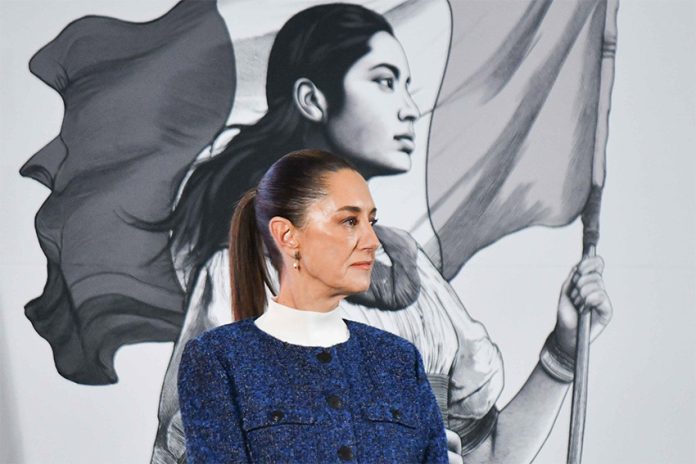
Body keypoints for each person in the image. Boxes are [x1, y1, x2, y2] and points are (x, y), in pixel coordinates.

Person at [153, 4, 613, 464]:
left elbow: (487, 456)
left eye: (368, 221)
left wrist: (563, 354)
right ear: (313, 99)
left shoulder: (407, 299)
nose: (411, 110)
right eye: (384, 80)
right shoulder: (238, 282)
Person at [177, 149, 449, 463]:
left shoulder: (400, 361)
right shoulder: (218, 360)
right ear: (287, 235)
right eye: (349, 221)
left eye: (371, 221)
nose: (372, 240)